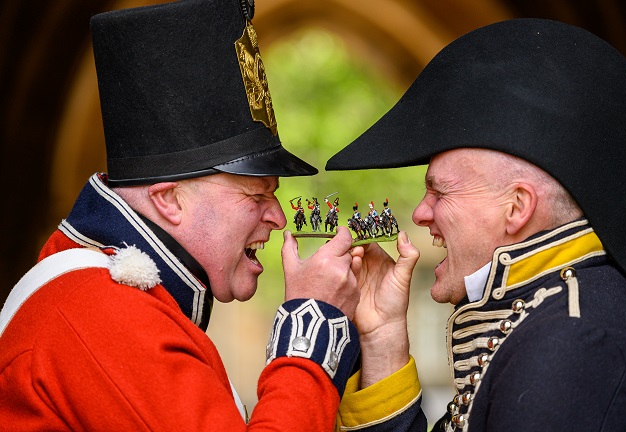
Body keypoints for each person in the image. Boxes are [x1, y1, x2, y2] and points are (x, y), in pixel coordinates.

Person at [0, 1, 365, 430]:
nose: (279, 218)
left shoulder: (109, 300)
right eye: (256, 194)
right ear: (170, 199)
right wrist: (311, 324)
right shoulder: (103, 312)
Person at [327, 18, 626, 431]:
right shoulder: (558, 315)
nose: (422, 213)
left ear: (517, 207)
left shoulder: (571, 343)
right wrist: (384, 336)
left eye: (440, 193)